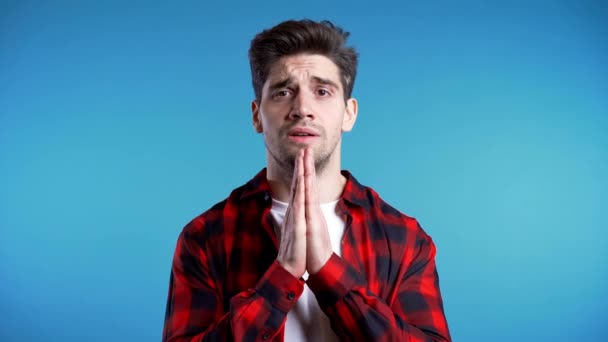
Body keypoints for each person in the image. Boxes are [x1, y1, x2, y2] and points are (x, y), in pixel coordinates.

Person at [162, 19, 451, 342]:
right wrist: (283, 274)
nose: (302, 109)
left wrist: (328, 270)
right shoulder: (204, 237)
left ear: (349, 113)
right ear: (257, 115)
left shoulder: (405, 238)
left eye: (322, 92)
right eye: (284, 92)